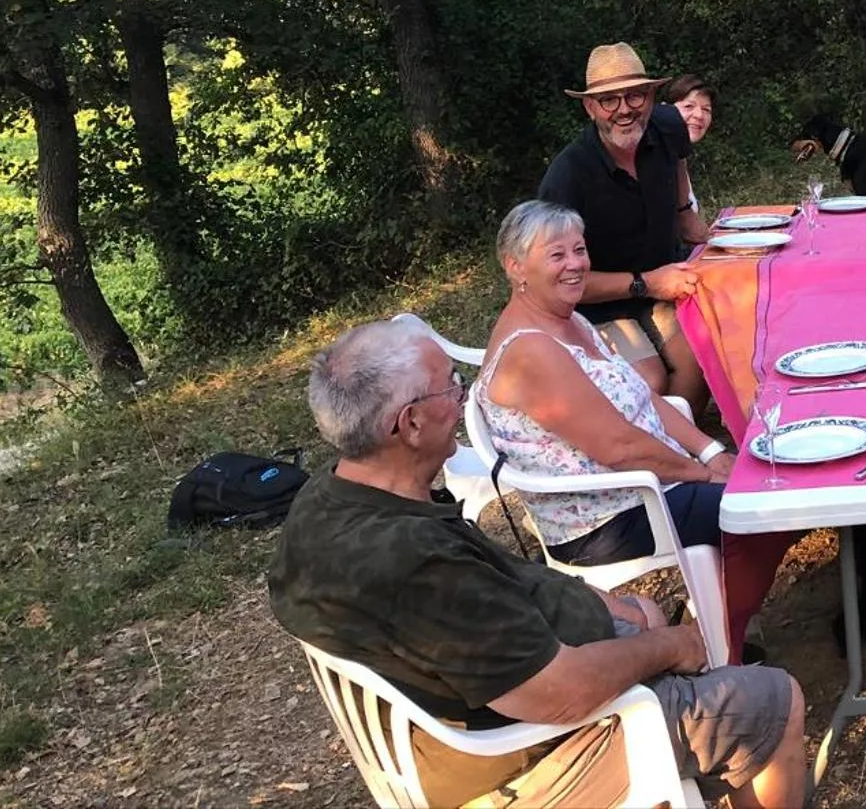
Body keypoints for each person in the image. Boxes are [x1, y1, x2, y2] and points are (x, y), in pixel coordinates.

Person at [267, 320, 804, 809]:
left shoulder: (332, 498)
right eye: (451, 383)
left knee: (644, 612)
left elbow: (505, 583)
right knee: (774, 701)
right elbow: (561, 694)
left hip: (506, 691)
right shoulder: (415, 567)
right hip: (530, 755)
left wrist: (614, 611)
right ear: (408, 424)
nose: (462, 396)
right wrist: (669, 647)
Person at [479, 200, 789, 664]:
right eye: (556, 255)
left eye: (580, 251)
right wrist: (704, 475)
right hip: (606, 518)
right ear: (515, 266)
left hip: (645, 487)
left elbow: (642, 400)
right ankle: (713, 645)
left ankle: (712, 620)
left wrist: (709, 453)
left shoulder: (570, 321)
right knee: (768, 506)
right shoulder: (531, 352)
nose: (575, 265)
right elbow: (619, 447)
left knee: (766, 486)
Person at [538, 42, 708, 407]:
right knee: (648, 380)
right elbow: (561, 282)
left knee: (703, 357)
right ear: (589, 107)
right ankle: (658, 455)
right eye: (609, 100)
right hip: (602, 302)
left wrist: (683, 210)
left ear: (650, 96)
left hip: (663, 282)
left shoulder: (668, 125)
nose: (624, 110)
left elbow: (678, 157)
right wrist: (648, 283)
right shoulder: (567, 178)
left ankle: (685, 452)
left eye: (634, 96)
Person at [666, 74, 715, 216]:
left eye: (706, 109)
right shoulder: (655, 160)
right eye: (688, 106)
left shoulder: (678, 157)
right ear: (664, 110)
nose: (699, 115)